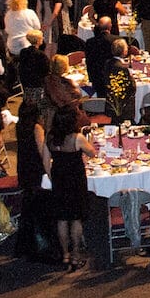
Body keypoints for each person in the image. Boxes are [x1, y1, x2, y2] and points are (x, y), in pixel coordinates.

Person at [45, 106, 95, 270]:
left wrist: (52, 177)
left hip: (59, 178)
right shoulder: (77, 138)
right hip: (75, 179)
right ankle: (76, 253)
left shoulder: (51, 137)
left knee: (62, 218)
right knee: (76, 217)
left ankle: (65, 253)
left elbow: (46, 161)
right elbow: (91, 153)